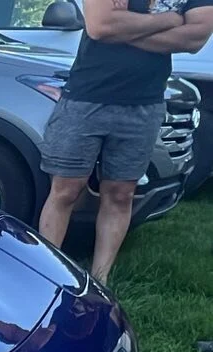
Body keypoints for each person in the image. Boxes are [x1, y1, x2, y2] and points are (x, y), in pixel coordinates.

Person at [36, 0, 213, 283]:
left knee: (120, 195)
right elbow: (100, 26)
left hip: (144, 104)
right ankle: (45, 274)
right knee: (66, 190)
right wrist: (169, 19)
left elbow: (194, 39)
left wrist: (126, 28)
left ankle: (99, 281)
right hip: (86, 97)